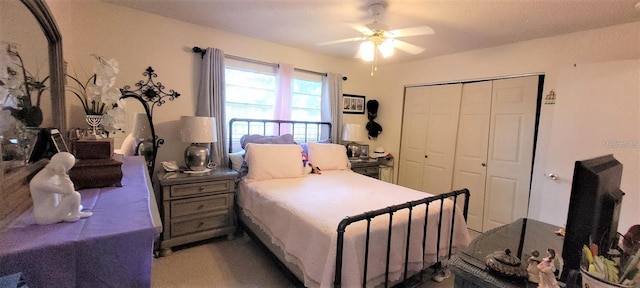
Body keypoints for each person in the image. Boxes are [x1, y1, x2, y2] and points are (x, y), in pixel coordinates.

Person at [29, 152, 92, 225]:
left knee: (74, 198)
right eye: (66, 169)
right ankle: (73, 214)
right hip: (46, 216)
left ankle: (74, 211)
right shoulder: (41, 181)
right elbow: (69, 191)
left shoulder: (52, 174)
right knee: (74, 195)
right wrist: (62, 175)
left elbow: (63, 192)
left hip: (55, 207)